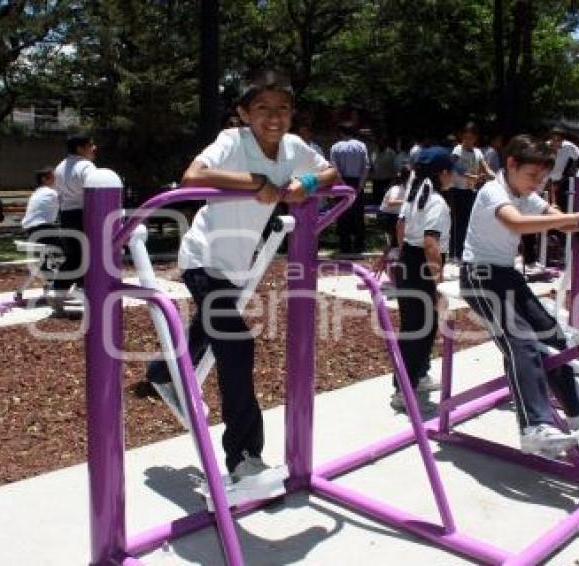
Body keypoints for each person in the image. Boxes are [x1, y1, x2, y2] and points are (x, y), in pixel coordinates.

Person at [146, 70, 337, 482]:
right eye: (263, 109)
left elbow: (330, 174)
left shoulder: (293, 147)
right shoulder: (233, 142)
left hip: (234, 264)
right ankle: (243, 458)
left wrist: (305, 181)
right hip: (203, 259)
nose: (274, 117)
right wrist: (257, 183)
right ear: (243, 113)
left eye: (283, 109)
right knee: (236, 344)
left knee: (209, 330)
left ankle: (163, 371)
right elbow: (192, 177)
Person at [460, 135, 579, 456]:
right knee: (520, 342)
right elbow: (517, 224)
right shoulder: (492, 191)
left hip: (506, 276)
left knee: (552, 335)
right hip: (479, 277)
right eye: (531, 176)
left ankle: (576, 409)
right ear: (511, 164)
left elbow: (558, 221)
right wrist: (574, 220)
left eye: (541, 178)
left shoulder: (525, 191)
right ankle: (534, 427)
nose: (536, 184)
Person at [389, 147, 453, 411]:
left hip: (408, 262)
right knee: (418, 331)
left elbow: (400, 226)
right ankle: (403, 391)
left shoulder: (414, 195)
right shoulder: (436, 201)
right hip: (422, 266)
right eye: (452, 172)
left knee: (418, 327)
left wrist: (401, 255)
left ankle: (420, 375)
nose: (454, 177)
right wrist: (438, 285)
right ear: (443, 173)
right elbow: (430, 244)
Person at [52, 132, 97, 312]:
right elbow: (94, 192)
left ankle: (59, 291)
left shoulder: (59, 167)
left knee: (73, 255)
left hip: (67, 214)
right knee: (86, 256)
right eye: (91, 144)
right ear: (80, 148)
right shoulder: (86, 167)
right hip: (84, 214)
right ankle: (84, 291)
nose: (94, 148)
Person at [450, 122, 495, 261]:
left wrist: (492, 175)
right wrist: (471, 176)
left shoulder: (478, 152)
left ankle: (464, 251)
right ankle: (455, 253)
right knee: (458, 222)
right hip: (458, 190)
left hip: (471, 190)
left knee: (469, 222)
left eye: (471, 137)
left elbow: (485, 167)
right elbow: (454, 165)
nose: (468, 140)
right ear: (462, 136)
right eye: (465, 137)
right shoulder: (458, 150)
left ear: (475, 138)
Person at [330, 122, 370, 254]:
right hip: (357, 181)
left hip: (342, 182)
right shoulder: (361, 146)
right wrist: (361, 184)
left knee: (342, 214)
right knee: (358, 214)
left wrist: (342, 184)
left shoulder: (335, 147)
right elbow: (366, 166)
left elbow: (334, 168)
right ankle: (359, 245)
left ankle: (345, 245)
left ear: (341, 132)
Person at [21, 167, 62, 278]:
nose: (57, 180)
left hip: (32, 231)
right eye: (54, 177)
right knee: (73, 246)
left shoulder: (37, 193)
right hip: (42, 229)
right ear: (44, 179)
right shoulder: (51, 193)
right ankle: (67, 281)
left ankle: (49, 275)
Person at [378, 169, 407, 247]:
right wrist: (406, 202)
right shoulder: (396, 188)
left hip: (396, 216)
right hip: (388, 217)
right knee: (396, 240)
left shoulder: (407, 189)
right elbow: (391, 202)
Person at [371, 137, 397, 206]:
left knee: (386, 197)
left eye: (382, 143)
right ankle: (376, 213)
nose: (380, 145)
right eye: (378, 143)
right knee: (376, 198)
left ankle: (384, 214)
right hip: (376, 180)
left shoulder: (391, 153)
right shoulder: (374, 153)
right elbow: (371, 164)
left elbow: (395, 167)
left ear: (385, 144)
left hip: (387, 180)